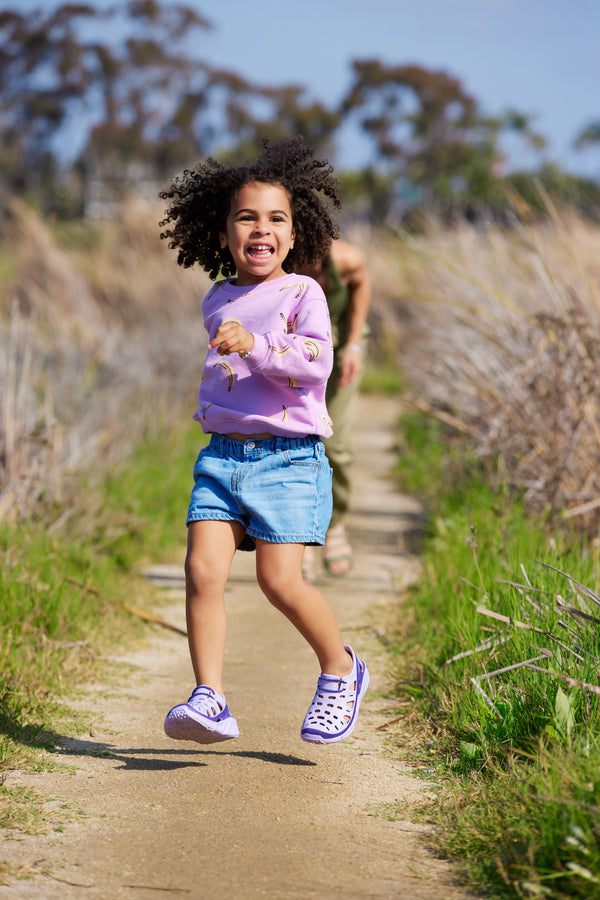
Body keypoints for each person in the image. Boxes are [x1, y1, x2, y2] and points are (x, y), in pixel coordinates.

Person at [158, 137, 369, 746]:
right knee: (201, 572)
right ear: (223, 234)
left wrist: (255, 346)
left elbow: (314, 363)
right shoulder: (217, 298)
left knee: (280, 582)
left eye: (276, 218)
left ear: (296, 235)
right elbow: (229, 370)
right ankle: (211, 696)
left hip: (289, 461)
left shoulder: (305, 294)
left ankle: (340, 668)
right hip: (222, 458)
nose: (261, 228)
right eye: (245, 216)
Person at [301, 239, 371, 579]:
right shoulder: (275, 260)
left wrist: (355, 343)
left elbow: (361, 286)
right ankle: (297, 537)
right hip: (294, 354)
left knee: (333, 443)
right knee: (294, 443)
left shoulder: (345, 260)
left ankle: (335, 522)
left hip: (341, 349)